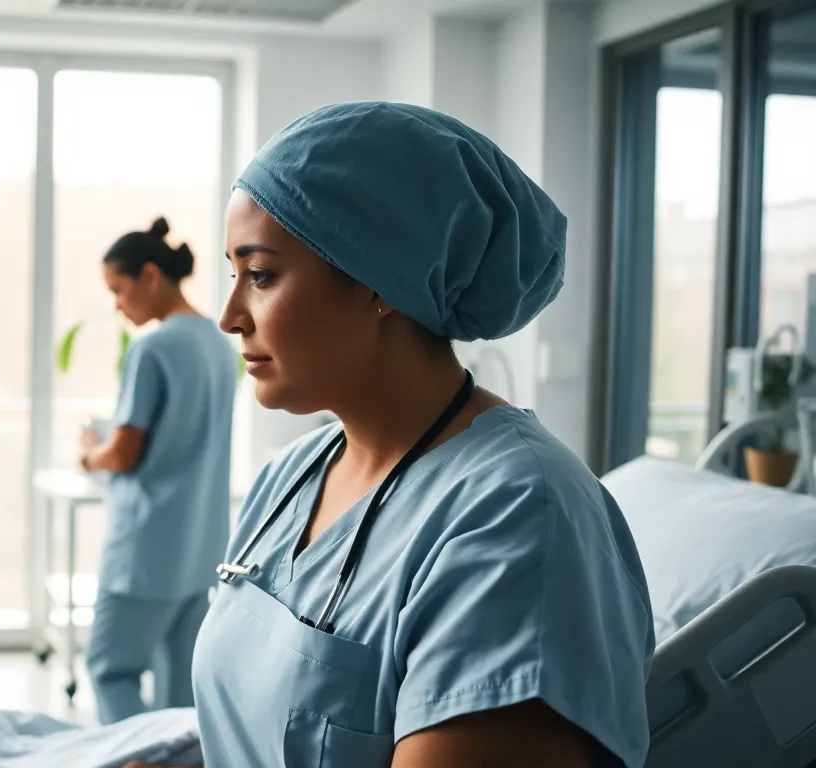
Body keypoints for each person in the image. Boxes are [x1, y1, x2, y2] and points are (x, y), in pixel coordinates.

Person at [127, 102, 656, 767]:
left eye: (260, 275)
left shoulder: (516, 517)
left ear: (381, 280)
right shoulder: (291, 477)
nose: (230, 315)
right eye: (235, 276)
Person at [78, 217, 239, 726]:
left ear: (150, 275)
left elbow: (123, 453)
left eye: (118, 290)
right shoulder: (218, 344)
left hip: (145, 553)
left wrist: (88, 455)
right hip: (199, 549)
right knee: (179, 688)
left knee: (109, 670)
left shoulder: (152, 349)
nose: (117, 305)